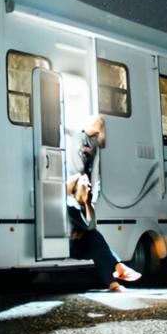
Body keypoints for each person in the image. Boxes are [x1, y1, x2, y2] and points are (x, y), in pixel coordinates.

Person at [67, 115, 141, 291]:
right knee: (95, 240)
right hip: (69, 245)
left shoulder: (81, 204)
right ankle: (117, 271)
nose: (89, 184)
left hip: (75, 246)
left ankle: (114, 280)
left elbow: (91, 226)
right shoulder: (70, 205)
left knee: (95, 241)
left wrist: (87, 202)